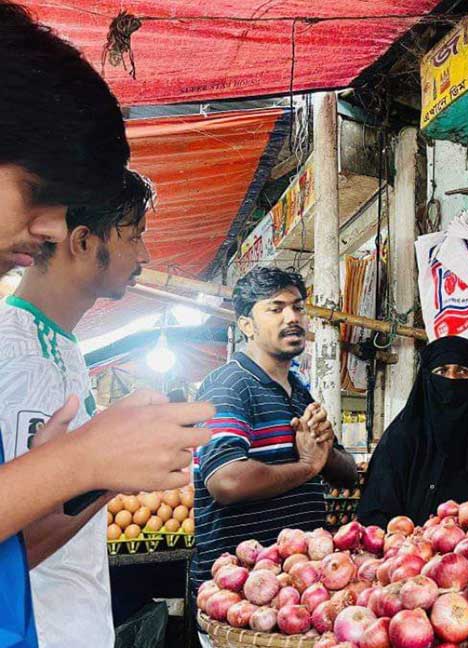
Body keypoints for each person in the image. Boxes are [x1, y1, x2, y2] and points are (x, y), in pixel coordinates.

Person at [0, 4, 212, 644]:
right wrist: (87, 463)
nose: (48, 230)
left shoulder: (61, 347)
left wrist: (81, 465)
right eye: (39, 192)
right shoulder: (14, 348)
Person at [0, 170, 152, 648]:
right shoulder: (20, 354)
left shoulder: (61, 342)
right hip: (40, 631)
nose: (144, 256)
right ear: (83, 242)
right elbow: (22, 544)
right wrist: (111, 466)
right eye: (134, 237)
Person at [190, 267, 358, 598]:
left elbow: (348, 475)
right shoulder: (228, 386)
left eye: (297, 307)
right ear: (247, 325)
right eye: (276, 308)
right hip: (240, 590)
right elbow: (227, 481)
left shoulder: (299, 391)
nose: (292, 317)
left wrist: (324, 449)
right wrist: (307, 467)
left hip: (298, 587)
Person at [357, 336, 468, 527]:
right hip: (408, 552)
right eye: (442, 371)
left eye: (463, 371)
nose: (451, 379)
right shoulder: (401, 438)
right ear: (426, 378)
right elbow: (375, 514)